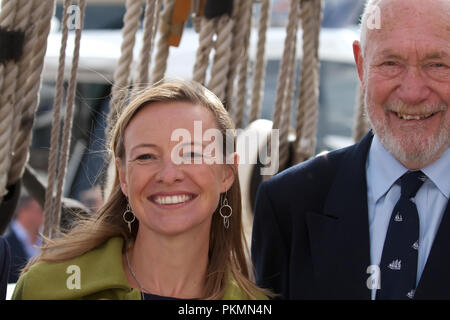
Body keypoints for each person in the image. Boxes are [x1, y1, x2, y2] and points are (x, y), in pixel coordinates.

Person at [252, 0, 449, 300]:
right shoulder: (286, 206)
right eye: (390, 63)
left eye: (437, 64)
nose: (412, 92)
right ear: (361, 65)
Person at [12, 80, 269, 300]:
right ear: (123, 176)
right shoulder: (47, 287)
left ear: (227, 173)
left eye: (192, 154)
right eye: (146, 156)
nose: (168, 175)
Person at [4, 195, 43, 283]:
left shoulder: (47, 240)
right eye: (39, 210)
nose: (44, 215)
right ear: (23, 212)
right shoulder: (5, 238)